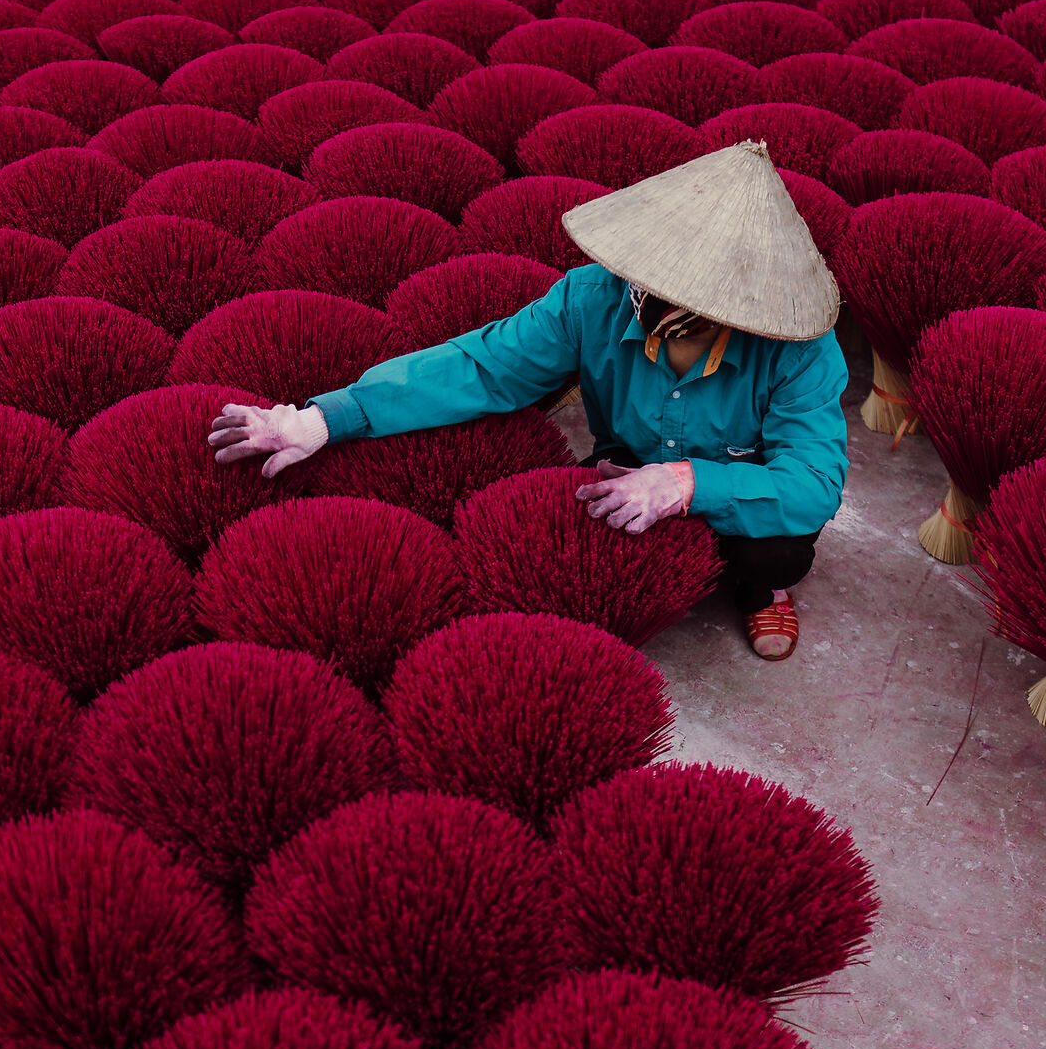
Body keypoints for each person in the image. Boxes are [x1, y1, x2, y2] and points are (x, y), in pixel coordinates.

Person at [208, 140, 848, 661]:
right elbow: (482, 367)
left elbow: (812, 484)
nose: (651, 298)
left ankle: (762, 590)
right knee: (586, 516)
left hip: (740, 479)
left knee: (777, 547)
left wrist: (685, 483)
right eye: (650, 281)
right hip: (627, 460)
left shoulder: (799, 351)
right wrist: (327, 419)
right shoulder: (591, 298)